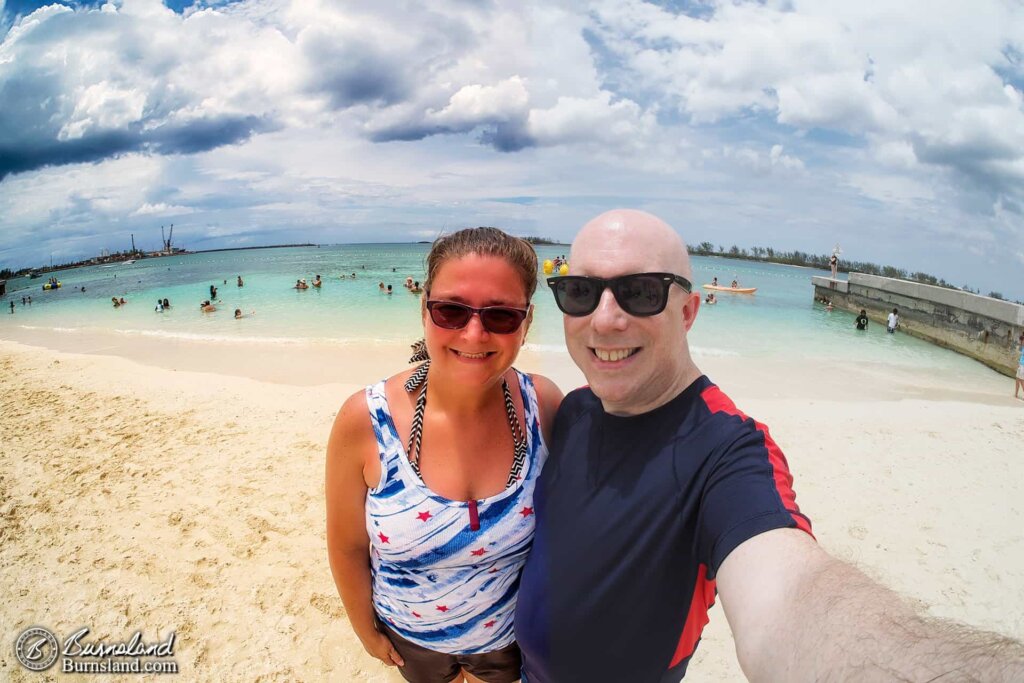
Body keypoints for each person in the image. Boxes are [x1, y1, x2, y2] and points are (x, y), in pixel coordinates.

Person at [514, 209, 1024, 683]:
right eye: (580, 291)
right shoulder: (576, 410)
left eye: (641, 292)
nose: (604, 319)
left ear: (688, 311)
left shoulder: (726, 449)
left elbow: (789, 596)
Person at [326, 227, 562, 683]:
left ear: (527, 322)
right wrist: (363, 629)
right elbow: (347, 545)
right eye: (451, 311)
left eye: (501, 316)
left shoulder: (545, 407)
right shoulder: (365, 420)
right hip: (411, 644)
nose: (474, 334)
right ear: (424, 309)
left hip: (512, 646)